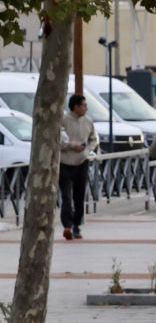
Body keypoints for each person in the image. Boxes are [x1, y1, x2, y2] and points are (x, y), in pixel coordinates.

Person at [58, 93, 97, 240]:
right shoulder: (63, 120)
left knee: (79, 196)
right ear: (76, 107)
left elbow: (93, 139)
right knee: (66, 196)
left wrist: (87, 150)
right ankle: (67, 225)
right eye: (84, 105)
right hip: (64, 162)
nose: (86, 108)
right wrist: (71, 145)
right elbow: (57, 140)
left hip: (82, 162)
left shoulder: (88, 121)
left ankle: (76, 226)